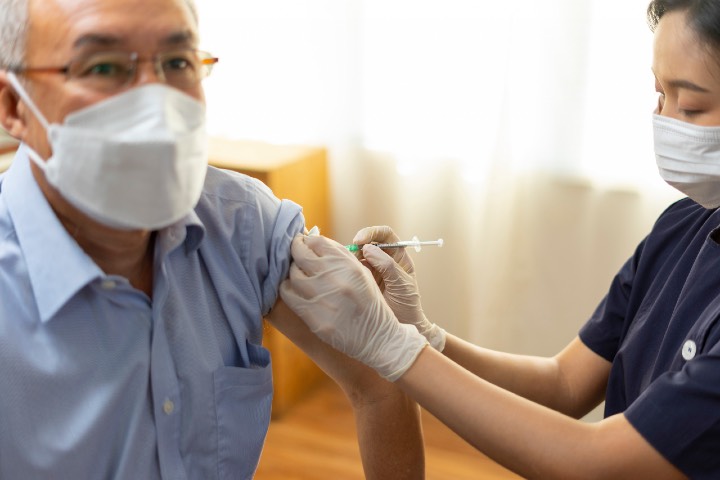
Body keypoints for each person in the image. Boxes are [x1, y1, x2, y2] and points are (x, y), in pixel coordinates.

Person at [277, 1, 720, 478]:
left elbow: (595, 462)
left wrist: (392, 348)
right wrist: (425, 336)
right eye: (659, 96)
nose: (666, 121)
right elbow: (564, 384)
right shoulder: (684, 225)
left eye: (690, 104)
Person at [0, 0, 425, 478]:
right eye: (104, 66)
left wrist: (397, 338)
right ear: (14, 105)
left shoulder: (240, 222)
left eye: (177, 62)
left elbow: (378, 382)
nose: (156, 102)